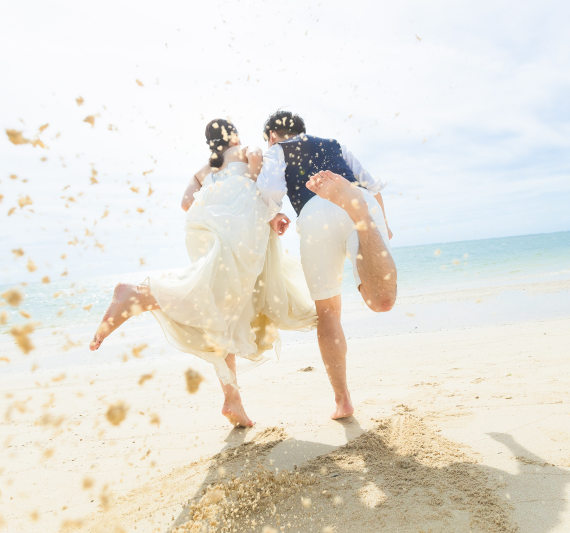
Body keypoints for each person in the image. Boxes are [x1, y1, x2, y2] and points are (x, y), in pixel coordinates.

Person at [89, 118, 317, 427]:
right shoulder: (247, 150)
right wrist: (273, 214)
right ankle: (142, 295)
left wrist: (218, 201)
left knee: (223, 316)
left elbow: (186, 204)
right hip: (241, 234)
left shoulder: (203, 169)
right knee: (222, 308)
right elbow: (259, 183)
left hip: (208, 235)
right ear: (233, 136)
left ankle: (232, 400)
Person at [256, 110, 397, 420]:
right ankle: (360, 216)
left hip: (314, 211)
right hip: (356, 196)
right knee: (382, 301)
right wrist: (382, 223)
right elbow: (373, 186)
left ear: (271, 137)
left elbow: (268, 190)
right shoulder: (335, 144)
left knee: (328, 313)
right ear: (302, 130)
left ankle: (343, 400)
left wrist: (273, 213)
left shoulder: (276, 150)